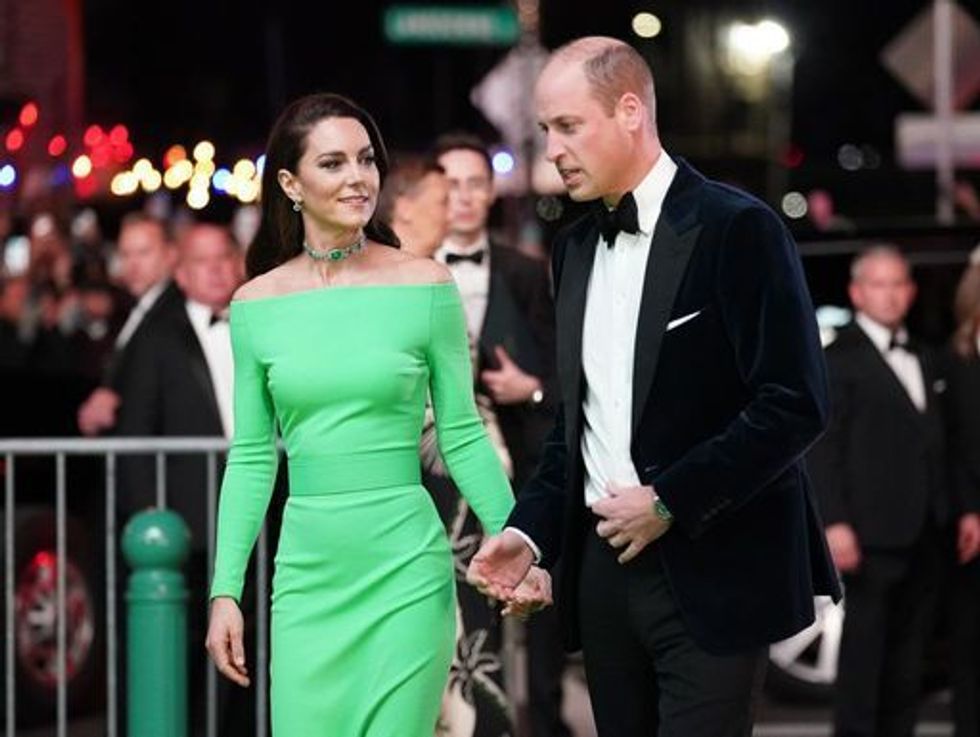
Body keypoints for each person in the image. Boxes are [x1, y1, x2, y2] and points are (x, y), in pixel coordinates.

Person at [466, 36, 841, 737]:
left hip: (716, 567)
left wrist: (671, 499)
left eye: (568, 126)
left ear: (630, 111)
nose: (553, 148)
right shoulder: (572, 247)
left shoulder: (738, 228)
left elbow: (794, 401)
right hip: (604, 576)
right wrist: (528, 532)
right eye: (546, 129)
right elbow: (574, 429)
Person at [204, 93, 549, 737]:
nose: (358, 177)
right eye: (332, 163)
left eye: (366, 160)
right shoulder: (255, 305)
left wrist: (514, 539)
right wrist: (225, 590)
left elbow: (462, 432)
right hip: (307, 577)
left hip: (407, 572)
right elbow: (252, 457)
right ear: (290, 183)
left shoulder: (424, 286)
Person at [431, 132, 567, 737]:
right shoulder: (406, 272)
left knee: (531, 617)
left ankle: (538, 724)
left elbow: (563, 376)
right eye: (450, 184)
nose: (461, 197)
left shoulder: (528, 273)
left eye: (474, 184)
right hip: (431, 477)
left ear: (491, 193)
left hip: (521, 465)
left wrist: (530, 388)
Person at [808, 245, 951, 737]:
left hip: (925, 533)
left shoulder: (927, 357)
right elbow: (822, 448)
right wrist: (834, 522)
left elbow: (934, 444)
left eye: (897, 285)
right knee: (864, 660)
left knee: (908, 663)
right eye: (878, 285)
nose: (889, 296)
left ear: (910, 293)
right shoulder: (837, 359)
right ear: (856, 292)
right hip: (867, 535)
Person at [115, 221, 243, 735]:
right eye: (201, 262)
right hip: (189, 521)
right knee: (190, 640)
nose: (214, 270)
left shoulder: (260, 322)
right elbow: (136, 430)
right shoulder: (157, 338)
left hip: (264, 514)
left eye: (222, 258)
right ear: (182, 275)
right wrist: (150, 511)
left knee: (258, 639)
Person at [77, 212, 180, 436]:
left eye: (143, 252)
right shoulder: (136, 310)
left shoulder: (175, 314)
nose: (132, 264)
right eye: (125, 254)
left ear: (170, 254)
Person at [939, 250, 980, 737]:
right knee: (969, 645)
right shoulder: (956, 359)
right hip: (970, 527)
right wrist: (970, 509)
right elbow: (950, 446)